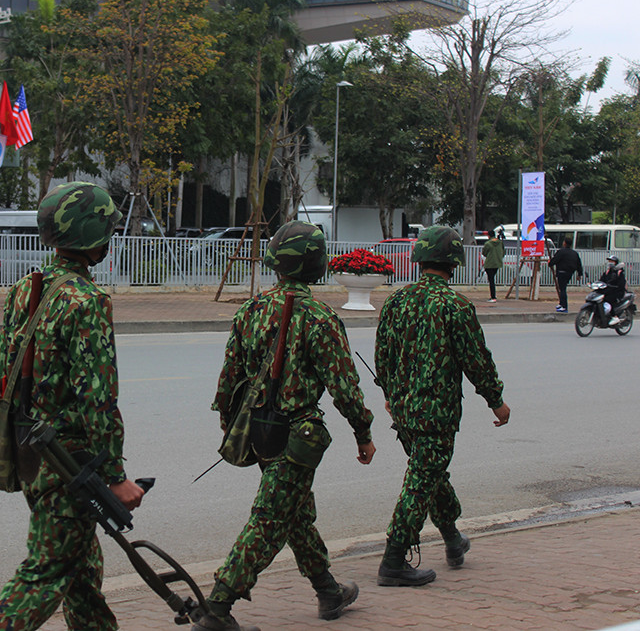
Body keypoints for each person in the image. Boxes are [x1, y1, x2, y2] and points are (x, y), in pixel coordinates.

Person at [0, 182, 145, 630]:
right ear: (94, 237)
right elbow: (98, 402)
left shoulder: (28, 287)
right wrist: (116, 477)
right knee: (48, 571)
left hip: (30, 454)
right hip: (69, 465)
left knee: (81, 570)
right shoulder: (87, 302)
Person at [198, 221, 377, 631]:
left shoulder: (250, 310)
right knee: (270, 519)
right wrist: (363, 433)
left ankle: (328, 590)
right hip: (297, 434)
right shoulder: (319, 317)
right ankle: (218, 607)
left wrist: (233, 425)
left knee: (292, 511)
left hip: (258, 430)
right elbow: (345, 387)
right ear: (316, 265)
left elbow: (228, 382)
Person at [375, 226, 511, 587]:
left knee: (429, 476)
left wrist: (390, 394)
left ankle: (453, 540)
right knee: (421, 480)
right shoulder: (455, 305)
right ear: (454, 262)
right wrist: (495, 400)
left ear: (420, 258)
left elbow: (382, 356)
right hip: (436, 413)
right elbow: (476, 360)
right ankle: (393, 559)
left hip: (403, 411)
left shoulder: (396, 301)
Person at [548, 237, 583, 313]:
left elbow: (555, 260)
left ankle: (564, 306)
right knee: (562, 288)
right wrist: (579, 274)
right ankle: (561, 304)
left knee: (562, 289)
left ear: (564, 243)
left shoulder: (561, 252)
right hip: (570, 272)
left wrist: (550, 263)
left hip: (561, 272)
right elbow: (579, 264)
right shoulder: (574, 253)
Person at [599, 255, 627, 326]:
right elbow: (601, 280)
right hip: (608, 291)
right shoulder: (607, 272)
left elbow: (621, 285)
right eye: (609, 261)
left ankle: (614, 316)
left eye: (612, 261)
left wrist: (613, 287)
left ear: (616, 263)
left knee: (608, 299)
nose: (610, 263)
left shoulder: (619, 272)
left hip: (617, 292)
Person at [480, 230, 504, 302]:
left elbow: (484, 253)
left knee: (491, 281)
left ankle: (493, 297)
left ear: (488, 235)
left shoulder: (488, 243)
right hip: (497, 263)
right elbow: (503, 252)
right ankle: (493, 296)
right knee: (492, 280)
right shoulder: (500, 243)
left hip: (489, 264)